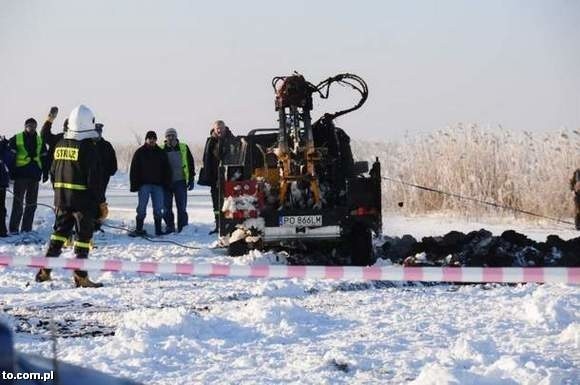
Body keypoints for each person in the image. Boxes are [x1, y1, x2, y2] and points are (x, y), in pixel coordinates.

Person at [35, 104, 107, 288]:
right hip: (83, 202)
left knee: (59, 235)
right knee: (83, 238)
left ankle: (44, 271)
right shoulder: (88, 148)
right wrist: (101, 203)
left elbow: (53, 171)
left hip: (62, 200)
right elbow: (94, 180)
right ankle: (80, 276)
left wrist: (60, 193)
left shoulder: (60, 144)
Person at [8, 117, 48, 233]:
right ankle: (14, 229)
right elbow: (10, 156)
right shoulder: (17, 138)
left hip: (34, 176)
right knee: (18, 204)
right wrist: (11, 172)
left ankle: (27, 229)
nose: (32, 128)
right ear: (25, 126)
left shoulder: (40, 140)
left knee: (31, 204)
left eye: (34, 126)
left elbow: (44, 158)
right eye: (30, 126)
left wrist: (44, 173)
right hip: (20, 175)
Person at [198, 120, 236, 234]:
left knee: (230, 202)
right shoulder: (210, 141)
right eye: (217, 128)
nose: (219, 130)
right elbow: (206, 159)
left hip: (229, 177)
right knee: (216, 203)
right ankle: (218, 225)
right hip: (215, 178)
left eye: (221, 128)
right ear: (214, 129)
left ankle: (230, 225)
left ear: (225, 128)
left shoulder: (232, 140)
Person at [129, 131, 170, 236]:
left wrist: (166, 183)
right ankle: (139, 229)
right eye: (150, 138)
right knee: (141, 208)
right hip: (144, 185)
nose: (152, 140)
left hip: (158, 185)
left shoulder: (161, 152)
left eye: (154, 138)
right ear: (146, 139)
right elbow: (134, 169)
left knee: (158, 208)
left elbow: (167, 169)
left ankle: (158, 230)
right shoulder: (140, 152)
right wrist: (134, 185)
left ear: (156, 140)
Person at [161, 128, 195, 233]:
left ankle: (183, 228)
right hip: (165, 183)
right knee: (166, 207)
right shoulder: (161, 149)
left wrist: (191, 179)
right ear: (165, 138)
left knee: (181, 207)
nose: (171, 138)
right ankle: (169, 227)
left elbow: (190, 163)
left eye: (172, 135)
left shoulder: (183, 147)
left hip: (180, 181)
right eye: (168, 136)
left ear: (176, 136)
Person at [93, 123, 118, 231]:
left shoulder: (107, 145)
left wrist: (108, 172)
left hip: (102, 179)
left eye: (99, 132)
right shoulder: (87, 145)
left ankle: (97, 223)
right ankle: (89, 223)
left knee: (100, 201)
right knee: (89, 201)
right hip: (88, 179)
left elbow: (113, 163)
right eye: (95, 132)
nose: (97, 134)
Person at [40, 106, 64, 172]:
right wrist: (50, 119)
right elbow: (44, 135)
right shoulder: (61, 138)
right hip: (56, 173)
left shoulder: (84, 141)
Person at [0, 136, 14, 237]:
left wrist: (6, 145)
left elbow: (8, 159)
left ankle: (2, 231)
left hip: (1, 183)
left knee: (1, 209)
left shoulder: (3, 147)